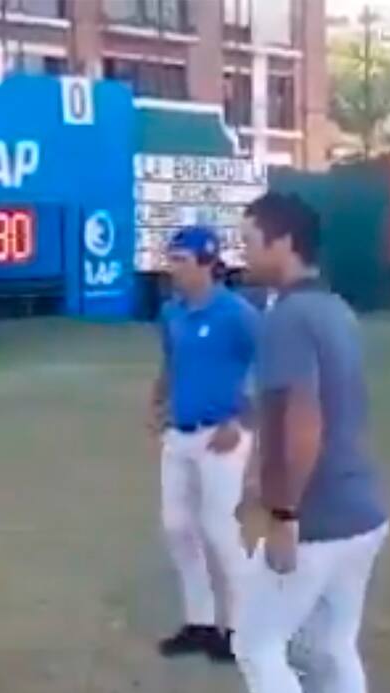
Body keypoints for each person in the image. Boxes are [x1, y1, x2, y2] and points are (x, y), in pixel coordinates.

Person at [233, 192, 390, 693]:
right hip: (362, 513)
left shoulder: (289, 317)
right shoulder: (336, 310)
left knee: (256, 645)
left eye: (249, 239)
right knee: (331, 648)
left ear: (281, 244)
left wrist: (284, 512)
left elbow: (304, 422)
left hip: (320, 516)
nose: (241, 251)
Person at [151, 226, 259, 663]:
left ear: (206, 263)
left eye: (180, 260)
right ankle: (200, 622)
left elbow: (268, 365)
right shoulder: (171, 313)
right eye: (171, 259)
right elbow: (171, 360)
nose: (172, 267)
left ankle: (239, 629)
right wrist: (156, 400)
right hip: (179, 433)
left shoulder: (237, 313)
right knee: (177, 526)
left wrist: (241, 418)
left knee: (223, 532)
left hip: (223, 436)